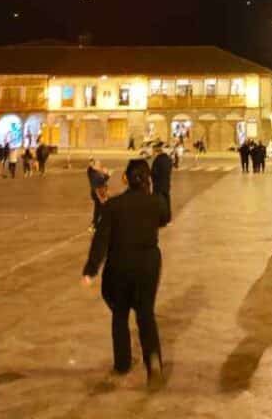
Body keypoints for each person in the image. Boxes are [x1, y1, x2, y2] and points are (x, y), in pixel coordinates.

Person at [82, 158, 171, 389]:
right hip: (148, 265)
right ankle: (153, 361)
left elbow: (101, 240)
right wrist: (162, 186)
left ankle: (122, 362)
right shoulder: (155, 203)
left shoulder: (114, 206)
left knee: (119, 315)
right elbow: (165, 216)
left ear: (125, 179)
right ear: (148, 179)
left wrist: (91, 269)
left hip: (119, 265)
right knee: (145, 315)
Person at [87, 159, 111, 229]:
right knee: (103, 208)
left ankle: (94, 224)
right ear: (93, 166)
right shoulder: (92, 172)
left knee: (98, 209)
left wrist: (106, 175)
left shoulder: (97, 172)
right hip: (98, 193)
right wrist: (107, 175)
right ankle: (98, 224)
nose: (100, 166)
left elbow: (102, 181)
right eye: (98, 164)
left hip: (100, 193)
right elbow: (100, 181)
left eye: (100, 164)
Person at [151, 142, 173, 210]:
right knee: (166, 199)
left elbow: (153, 173)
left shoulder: (157, 160)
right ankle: (167, 216)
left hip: (158, 185)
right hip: (166, 184)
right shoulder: (169, 159)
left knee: (158, 202)